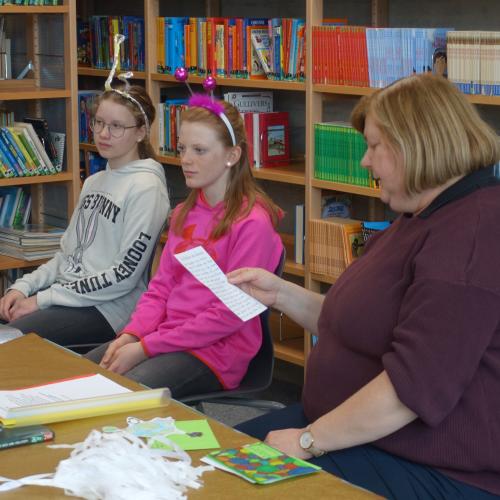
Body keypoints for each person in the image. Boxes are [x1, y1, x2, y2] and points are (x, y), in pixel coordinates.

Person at [229, 74, 500, 500]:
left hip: (429, 465)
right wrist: (280, 294)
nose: (365, 162)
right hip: (351, 432)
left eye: (374, 147)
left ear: (418, 144)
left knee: (229, 487)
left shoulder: (471, 236)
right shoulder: (422, 213)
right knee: (212, 454)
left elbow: (412, 389)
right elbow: (361, 322)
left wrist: (307, 440)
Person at [85, 95, 283, 399]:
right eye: (182, 149)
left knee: (117, 395)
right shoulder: (184, 214)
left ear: (232, 155)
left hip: (214, 353)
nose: (186, 159)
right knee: (78, 375)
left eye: (199, 150)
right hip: (165, 337)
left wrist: (145, 348)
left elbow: (229, 315)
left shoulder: (252, 223)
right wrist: (132, 334)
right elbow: (160, 288)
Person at [0, 83, 169, 348]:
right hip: (67, 297)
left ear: (141, 132)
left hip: (107, 310)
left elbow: (123, 275)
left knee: (10, 344)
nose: (103, 133)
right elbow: (67, 256)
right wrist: (24, 286)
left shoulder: (147, 188)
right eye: (99, 122)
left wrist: (41, 300)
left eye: (116, 126)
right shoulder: (94, 181)